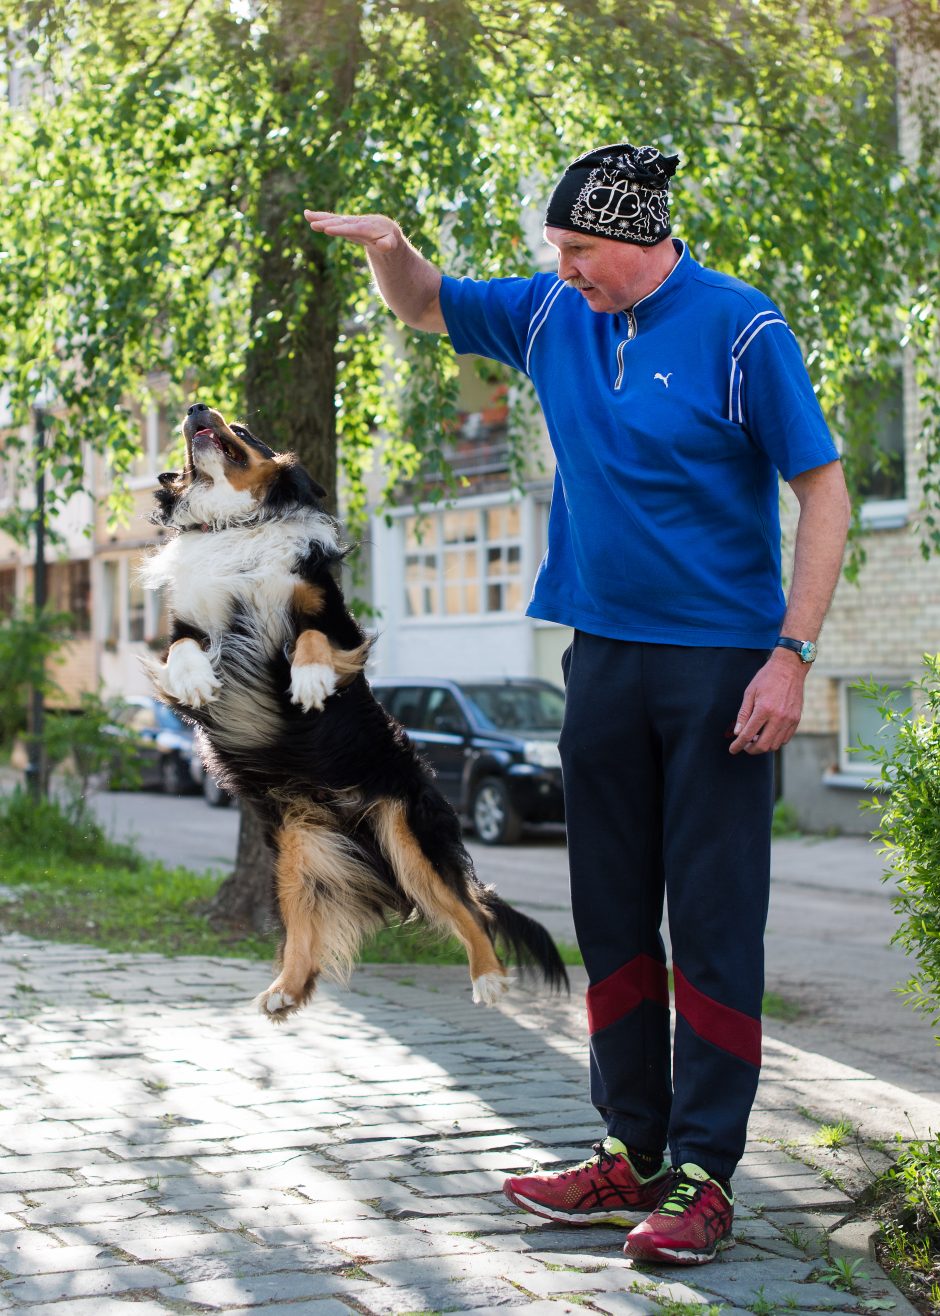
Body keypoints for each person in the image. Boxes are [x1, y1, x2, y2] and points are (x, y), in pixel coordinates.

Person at [303, 141, 851, 1267]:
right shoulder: (556, 313)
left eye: (580, 252)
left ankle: (704, 1173)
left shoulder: (743, 330)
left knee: (708, 919)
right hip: (600, 659)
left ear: (644, 241)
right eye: (553, 251)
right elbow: (425, 306)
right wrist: (395, 252)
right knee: (608, 915)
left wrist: (791, 654)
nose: (562, 271)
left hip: (719, 668)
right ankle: (630, 1151)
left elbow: (823, 492)